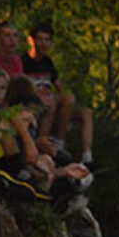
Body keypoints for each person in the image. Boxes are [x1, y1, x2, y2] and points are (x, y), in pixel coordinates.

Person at [23, 22, 94, 165]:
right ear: (32, 40)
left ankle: (87, 156)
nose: (43, 43)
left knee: (84, 112)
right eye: (40, 39)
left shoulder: (48, 62)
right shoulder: (24, 62)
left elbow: (59, 87)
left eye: (47, 40)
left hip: (51, 104)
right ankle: (46, 145)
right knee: (55, 102)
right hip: (35, 106)